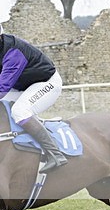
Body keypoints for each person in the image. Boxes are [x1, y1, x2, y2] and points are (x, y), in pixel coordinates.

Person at [0, 24, 68, 172]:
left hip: (46, 83)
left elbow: (2, 88)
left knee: (20, 111)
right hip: (23, 86)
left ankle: (55, 154)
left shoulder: (13, 52)